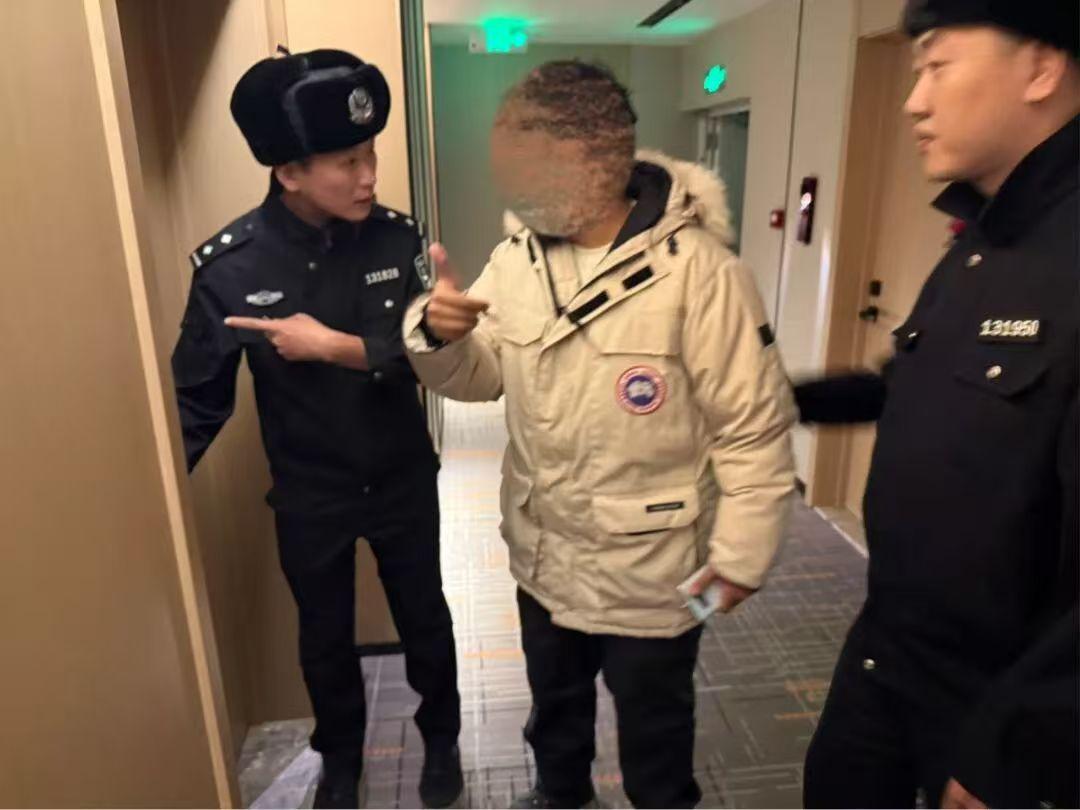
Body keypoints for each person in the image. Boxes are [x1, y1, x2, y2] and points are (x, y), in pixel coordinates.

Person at [403, 61, 797, 809]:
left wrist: (741, 557)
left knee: (656, 731)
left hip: (653, 573)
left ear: (590, 154)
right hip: (543, 556)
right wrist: (439, 334)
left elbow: (753, 430)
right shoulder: (516, 261)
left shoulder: (702, 275)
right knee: (554, 714)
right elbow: (481, 377)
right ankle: (561, 796)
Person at [798, 2, 1079, 807]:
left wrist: (1014, 748)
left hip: (1003, 698)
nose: (914, 101)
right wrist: (775, 398)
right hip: (891, 646)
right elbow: (914, 388)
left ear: (1041, 67)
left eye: (938, 65)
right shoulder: (983, 241)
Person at [171, 49, 462, 809]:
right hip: (309, 491)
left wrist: (334, 347)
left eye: (371, 155)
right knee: (324, 637)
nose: (369, 177)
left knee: (424, 617)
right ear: (289, 172)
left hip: (401, 475)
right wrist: (148, 504)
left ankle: (443, 742)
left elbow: (425, 360)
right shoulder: (232, 266)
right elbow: (195, 403)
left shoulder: (399, 240)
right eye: (347, 162)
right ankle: (340, 760)